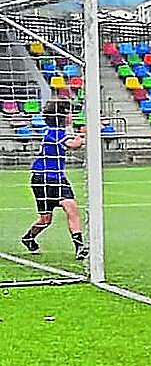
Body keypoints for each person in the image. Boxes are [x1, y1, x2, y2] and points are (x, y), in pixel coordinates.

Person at [20, 100, 88, 260]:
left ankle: (80, 246)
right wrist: (88, 136)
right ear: (62, 116)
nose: (71, 115)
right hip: (42, 178)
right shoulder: (54, 132)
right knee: (45, 219)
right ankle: (28, 238)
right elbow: (73, 144)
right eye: (69, 112)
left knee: (71, 207)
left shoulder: (60, 131)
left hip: (58, 177)